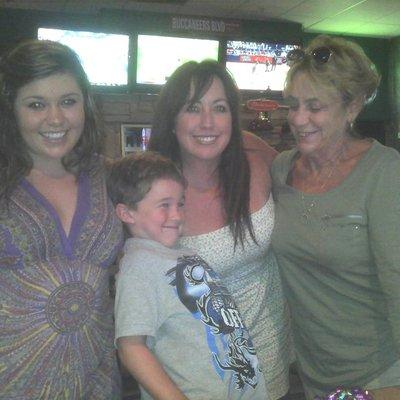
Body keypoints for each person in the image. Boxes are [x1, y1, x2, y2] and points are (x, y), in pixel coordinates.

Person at [149, 59, 293, 400]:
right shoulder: (150, 195)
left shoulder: (259, 164)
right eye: (192, 108)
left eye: (220, 108)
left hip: (269, 357)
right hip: (195, 372)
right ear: (172, 119)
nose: (207, 122)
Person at [271, 34, 400, 400]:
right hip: (313, 373)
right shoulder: (281, 169)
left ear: (353, 107)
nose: (299, 119)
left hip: (381, 374)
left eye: (315, 106)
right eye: (293, 105)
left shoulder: (384, 172)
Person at [0, 40, 123, 399]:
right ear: (11, 110)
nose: (55, 119)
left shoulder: (110, 177)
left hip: (96, 382)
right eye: (36, 104)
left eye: (68, 102)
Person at [107, 151, 268, 400]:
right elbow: (131, 347)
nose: (177, 215)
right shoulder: (139, 266)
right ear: (127, 213)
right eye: (164, 205)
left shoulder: (180, 253)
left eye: (180, 203)